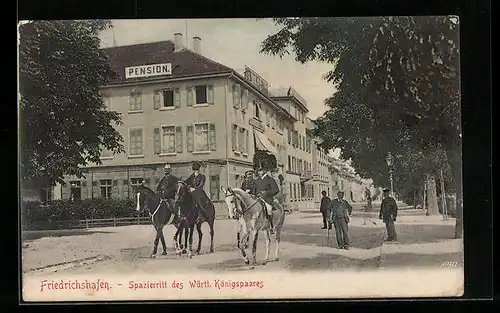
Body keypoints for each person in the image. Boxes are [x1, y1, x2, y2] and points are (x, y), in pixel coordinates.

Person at [254, 165, 280, 235]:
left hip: (267, 199)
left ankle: (271, 226)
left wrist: (266, 193)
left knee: (269, 210)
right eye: (259, 171)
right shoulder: (257, 180)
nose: (260, 172)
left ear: (264, 171)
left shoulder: (270, 179)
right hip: (258, 199)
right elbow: (255, 190)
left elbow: (276, 190)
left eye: (261, 171)